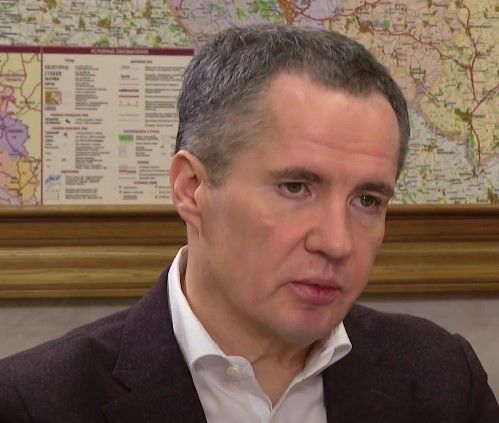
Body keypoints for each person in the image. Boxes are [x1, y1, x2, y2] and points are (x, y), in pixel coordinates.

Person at [0, 24, 497, 423]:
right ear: (191, 188)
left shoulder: (443, 377)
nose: (337, 242)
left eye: (367, 199)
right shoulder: (33, 402)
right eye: (295, 188)